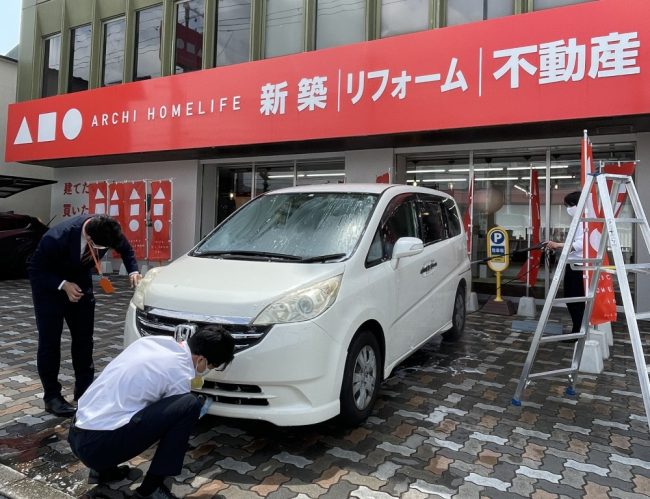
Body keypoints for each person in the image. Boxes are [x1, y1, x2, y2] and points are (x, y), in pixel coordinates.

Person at [68, 326, 235, 499]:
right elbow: (171, 419)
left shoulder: (151, 343)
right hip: (97, 446)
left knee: (123, 405)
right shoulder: (180, 372)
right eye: (212, 365)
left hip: (76, 433)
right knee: (190, 405)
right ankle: (152, 489)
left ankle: (103, 472)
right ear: (201, 359)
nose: (208, 370)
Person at [29, 214, 142, 417]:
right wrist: (63, 285)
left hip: (81, 288)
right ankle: (52, 397)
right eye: (100, 248)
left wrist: (133, 270)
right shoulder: (56, 237)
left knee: (84, 341)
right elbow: (35, 269)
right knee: (50, 343)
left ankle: (84, 392)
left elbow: (125, 248)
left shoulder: (108, 229)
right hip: (50, 291)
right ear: (89, 238)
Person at [546, 191, 584, 335]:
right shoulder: (579, 220)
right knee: (572, 299)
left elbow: (580, 244)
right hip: (574, 264)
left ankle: (577, 331)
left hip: (579, 266)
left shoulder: (585, 221)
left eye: (570, 205)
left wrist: (557, 245)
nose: (568, 209)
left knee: (574, 299)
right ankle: (577, 329)